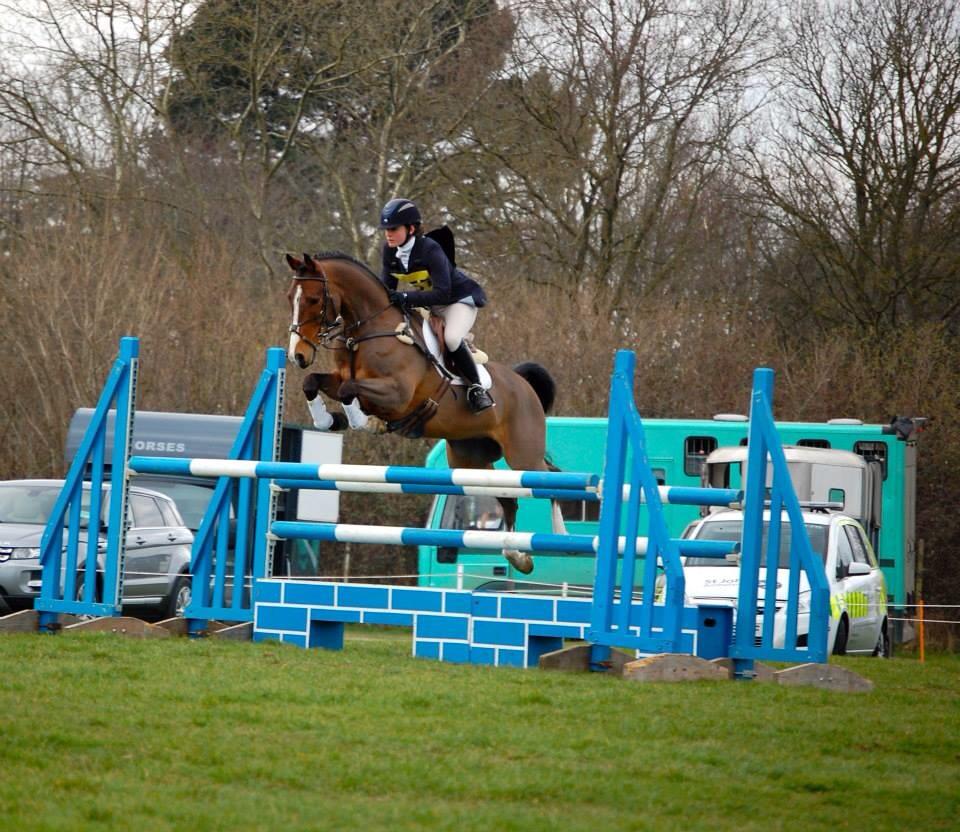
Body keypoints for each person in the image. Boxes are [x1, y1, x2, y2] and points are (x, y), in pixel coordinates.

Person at [379, 197, 495, 413]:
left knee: (451, 338)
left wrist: (405, 298)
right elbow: (388, 291)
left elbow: (443, 292)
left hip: (457, 302)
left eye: (393, 228)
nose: (388, 234)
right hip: (430, 304)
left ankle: (477, 389)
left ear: (411, 228)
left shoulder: (430, 249)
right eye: (386, 229)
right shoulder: (389, 252)